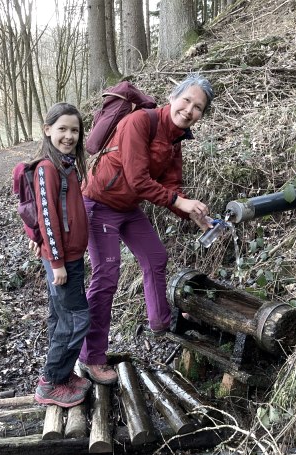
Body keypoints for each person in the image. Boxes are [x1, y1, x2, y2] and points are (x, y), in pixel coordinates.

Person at [78, 74, 215, 385]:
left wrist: (193, 215)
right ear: (173, 97)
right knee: (106, 277)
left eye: (198, 107)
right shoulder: (139, 122)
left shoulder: (175, 140)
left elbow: (170, 188)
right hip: (98, 204)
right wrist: (181, 203)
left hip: (127, 208)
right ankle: (91, 357)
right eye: (186, 100)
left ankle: (161, 323)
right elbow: (139, 179)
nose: (189, 110)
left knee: (155, 257)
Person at [30, 102, 92, 407]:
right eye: (62, 129)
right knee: (77, 319)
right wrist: (56, 263)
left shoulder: (67, 166)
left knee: (61, 317)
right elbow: (47, 217)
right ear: (48, 130)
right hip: (62, 261)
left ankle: (62, 374)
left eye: (75, 130)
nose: (69, 135)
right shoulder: (48, 168)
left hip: (69, 257)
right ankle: (51, 382)